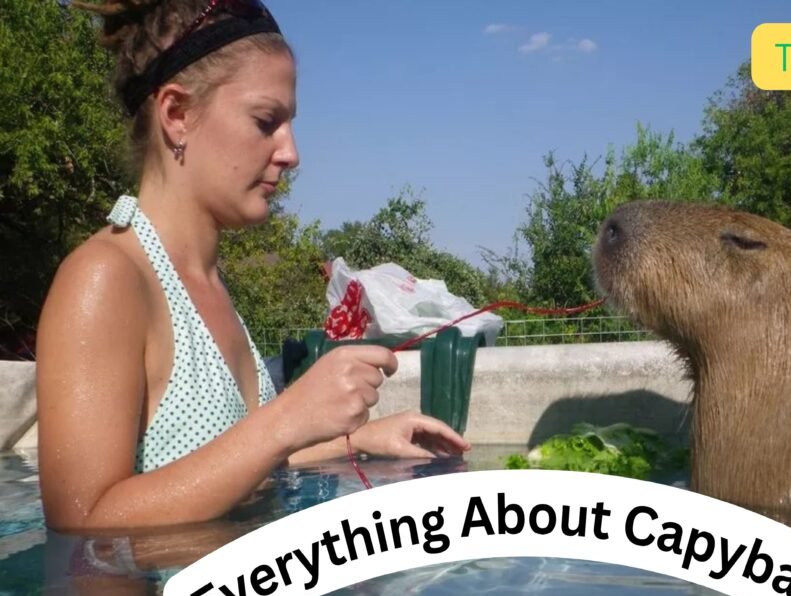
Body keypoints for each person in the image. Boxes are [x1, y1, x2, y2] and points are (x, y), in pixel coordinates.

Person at [36, 0, 470, 533]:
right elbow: (81, 520)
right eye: (267, 122)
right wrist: (287, 420)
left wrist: (355, 441)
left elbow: (220, 463)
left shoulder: (207, 284)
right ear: (177, 115)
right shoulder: (106, 279)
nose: (291, 153)